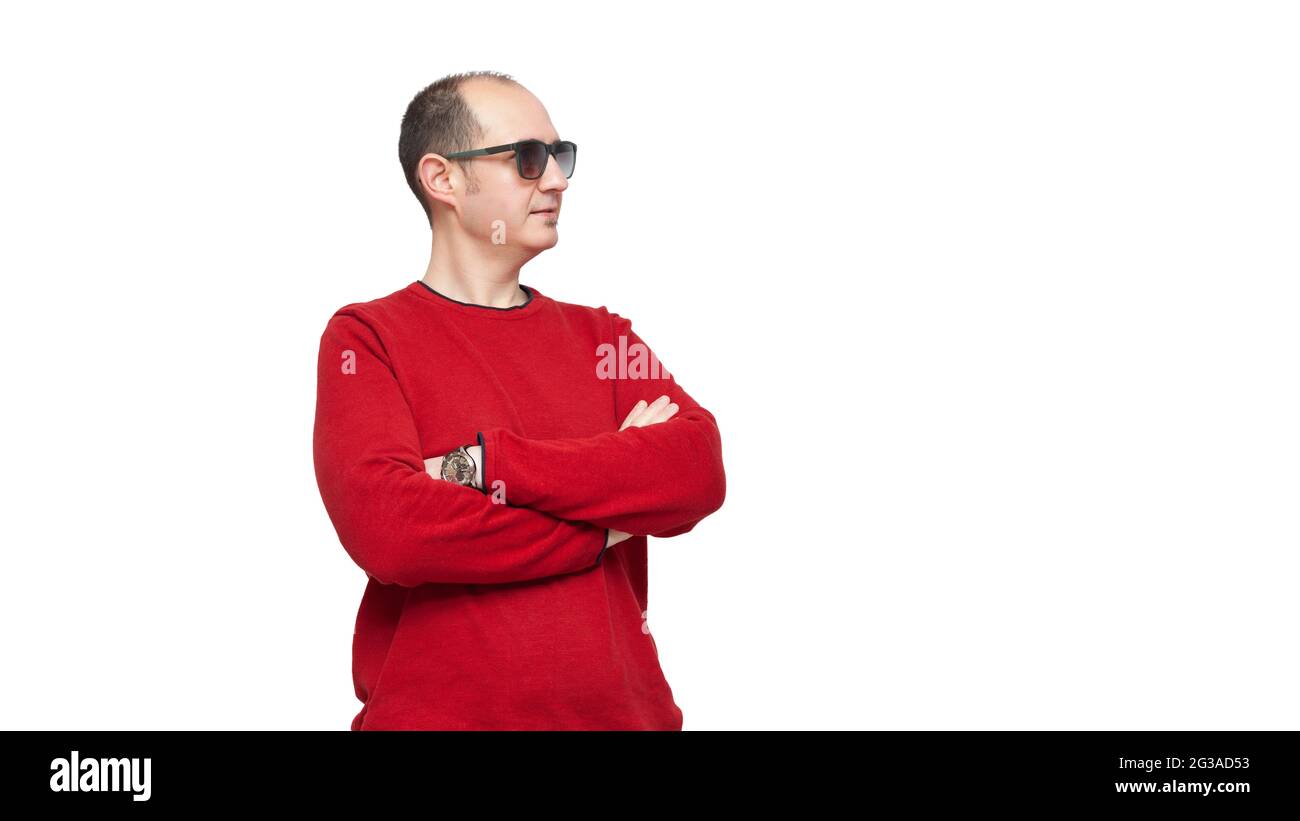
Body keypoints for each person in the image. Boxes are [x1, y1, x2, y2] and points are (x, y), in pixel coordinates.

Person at [312, 71, 727, 730]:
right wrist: (606, 523)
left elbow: (697, 469)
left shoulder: (604, 337)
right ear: (443, 179)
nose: (558, 181)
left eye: (561, 158)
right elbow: (391, 531)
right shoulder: (366, 338)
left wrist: (484, 464)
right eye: (529, 159)